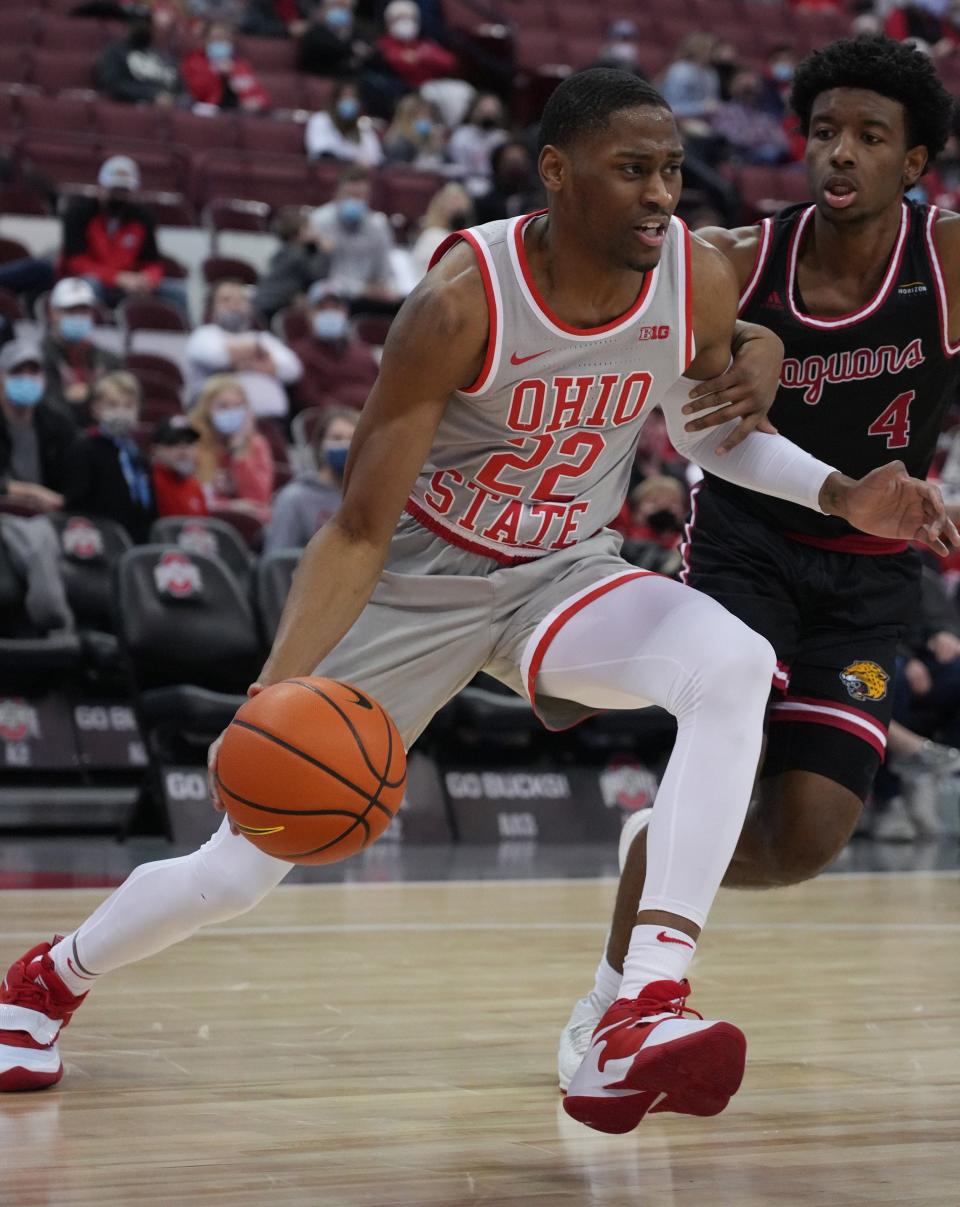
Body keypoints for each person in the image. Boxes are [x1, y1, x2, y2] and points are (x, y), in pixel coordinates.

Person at [1, 70, 952, 1134]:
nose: (659, 195)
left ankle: (639, 1006)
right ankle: (46, 981)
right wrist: (271, 696)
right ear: (555, 172)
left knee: (727, 660)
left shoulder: (693, 277)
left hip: (560, 571)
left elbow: (702, 430)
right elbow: (358, 527)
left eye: (673, 172)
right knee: (243, 863)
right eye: (632, 169)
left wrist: (828, 476)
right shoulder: (461, 303)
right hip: (419, 580)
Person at [557, 36, 960, 1093]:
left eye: (872, 138)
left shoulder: (948, 259)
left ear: (917, 163)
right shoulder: (738, 258)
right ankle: (616, 1001)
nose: (842, 154)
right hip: (750, 539)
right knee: (726, 726)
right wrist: (757, 342)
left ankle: (658, 839)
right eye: (827, 132)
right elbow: (696, 418)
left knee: (802, 839)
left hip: (874, 572)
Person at [61, 156, 187, 314]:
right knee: (89, 286)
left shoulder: (142, 218)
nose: (119, 196)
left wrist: (147, 280)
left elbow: (152, 262)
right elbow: (75, 262)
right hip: (94, 281)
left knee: (176, 291)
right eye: (115, 190)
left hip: (130, 285)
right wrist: (117, 277)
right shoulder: (79, 213)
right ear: (101, 187)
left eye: (124, 191)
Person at [185, 279, 303, 418]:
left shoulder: (264, 337)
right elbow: (217, 356)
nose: (234, 305)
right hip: (218, 420)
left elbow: (293, 369)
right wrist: (257, 351)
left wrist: (239, 360)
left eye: (241, 300)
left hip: (272, 421)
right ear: (212, 308)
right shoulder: (204, 334)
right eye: (226, 300)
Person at [67, 372, 156, 543]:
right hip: (98, 538)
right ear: (95, 409)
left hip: (136, 537)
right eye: (112, 405)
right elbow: (76, 503)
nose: (121, 412)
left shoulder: (137, 453)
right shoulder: (85, 448)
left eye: (129, 405)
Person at [263, 406, 357, 551]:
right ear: (320, 445)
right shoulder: (293, 499)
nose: (345, 445)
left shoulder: (370, 498)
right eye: (336, 438)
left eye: (352, 439)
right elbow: (277, 563)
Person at [0, 339, 75, 515]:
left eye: (33, 371)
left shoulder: (59, 423)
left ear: (43, 379)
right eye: (17, 371)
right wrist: (30, 492)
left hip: (48, 519)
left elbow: (72, 481)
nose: (26, 379)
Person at [190, 374, 273, 522]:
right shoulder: (193, 441)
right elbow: (192, 498)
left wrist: (238, 449)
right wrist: (230, 506)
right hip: (206, 521)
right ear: (207, 410)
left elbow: (258, 500)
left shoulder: (257, 444)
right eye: (223, 406)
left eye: (238, 406)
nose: (231, 411)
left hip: (247, 523)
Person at [307, 168, 398, 304]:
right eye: (349, 195)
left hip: (368, 297)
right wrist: (362, 289)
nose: (354, 201)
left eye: (359, 196)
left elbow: (384, 270)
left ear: (368, 198)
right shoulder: (319, 220)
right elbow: (322, 276)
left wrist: (382, 287)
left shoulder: (378, 224)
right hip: (331, 296)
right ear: (337, 194)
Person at [41, 277, 121, 425]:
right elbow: (48, 406)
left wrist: (87, 393)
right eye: (70, 310)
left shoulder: (110, 360)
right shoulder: (39, 358)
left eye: (83, 310)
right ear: (52, 312)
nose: (77, 317)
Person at [289, 281, 379, 411]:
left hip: (375, 419)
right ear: (308, 314)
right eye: (321, 308)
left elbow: (382, 390)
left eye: (335, 308)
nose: (329, 313)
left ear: (345, 312)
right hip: (336, 422)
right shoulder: (299, 353)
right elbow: (308, 399)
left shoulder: (364, 352)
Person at [253, 208, 331, 321]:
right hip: (273, 304)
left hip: (269, 301)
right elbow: (318, 275)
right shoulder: (296, 254)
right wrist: (324, 252)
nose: (315, 232)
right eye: (309, 228)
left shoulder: (286, 251)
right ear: (300, 233)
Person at [181, 19, 271, 112]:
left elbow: (260, 95)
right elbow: (199, 94)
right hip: (207, 113)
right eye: (216, 38)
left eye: (224, 38)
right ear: (206, 40)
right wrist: (218, 74)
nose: (221, 42)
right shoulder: (194, 62)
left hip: (237, 114)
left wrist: (255, 101)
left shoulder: (240, 65)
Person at [95, 14, 183, 107]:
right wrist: (152, 95)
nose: (142, 27)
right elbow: (112, 84)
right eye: (137, 23)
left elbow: (180, 85)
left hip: (174, 105)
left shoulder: (161, 54)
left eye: (146, 23)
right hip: (137, 104)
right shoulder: (116, 51)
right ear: (127, 26)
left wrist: (176, 98)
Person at [375, 0, 458, 92]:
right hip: (405, 91)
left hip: (432, 85)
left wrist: (424, 56)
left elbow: (449, 62)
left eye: (409, 18)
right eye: (399, 18)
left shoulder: (424, 43)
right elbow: (399, 63)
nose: (405, 22)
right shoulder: (383, 45)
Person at [712, 70, 791, 165]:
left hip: (767, 160)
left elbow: (783, 145)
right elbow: (733, 139)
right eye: (745, 89)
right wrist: (761, 138)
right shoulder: (724, 112)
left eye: (753, 89)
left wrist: (755, 139)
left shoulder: (765, 117)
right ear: (734, 89)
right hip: (740, 158)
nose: (750, 93)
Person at [304, 81, 384, 165]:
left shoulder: (362, 125)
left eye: (353, 98)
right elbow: (322, 153)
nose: (350, 101)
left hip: (356, 174)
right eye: (345, 97)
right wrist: (354, 161)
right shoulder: (320, 119)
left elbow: (377, 158)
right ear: (335, 100)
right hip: (328, 172)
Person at [409, 182, 472, 278]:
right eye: (453, 201)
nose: (457, 205)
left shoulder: (467, 237)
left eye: (460, 200)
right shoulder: (432, 236)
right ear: (440, 206)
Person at [151, 415, 208, 518]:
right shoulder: (149, 483)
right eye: (173, 442)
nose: (183, 450)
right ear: (156, 450)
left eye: (189, 443)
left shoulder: (194, 484)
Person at [382, 92, 447, 168]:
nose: (426, 119)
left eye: (429, 114)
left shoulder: (429, 138)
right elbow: (396, 172)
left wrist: (436, 143)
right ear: (406, 117)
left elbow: (445, 162)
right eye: (421, 114)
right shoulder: (398, 142)